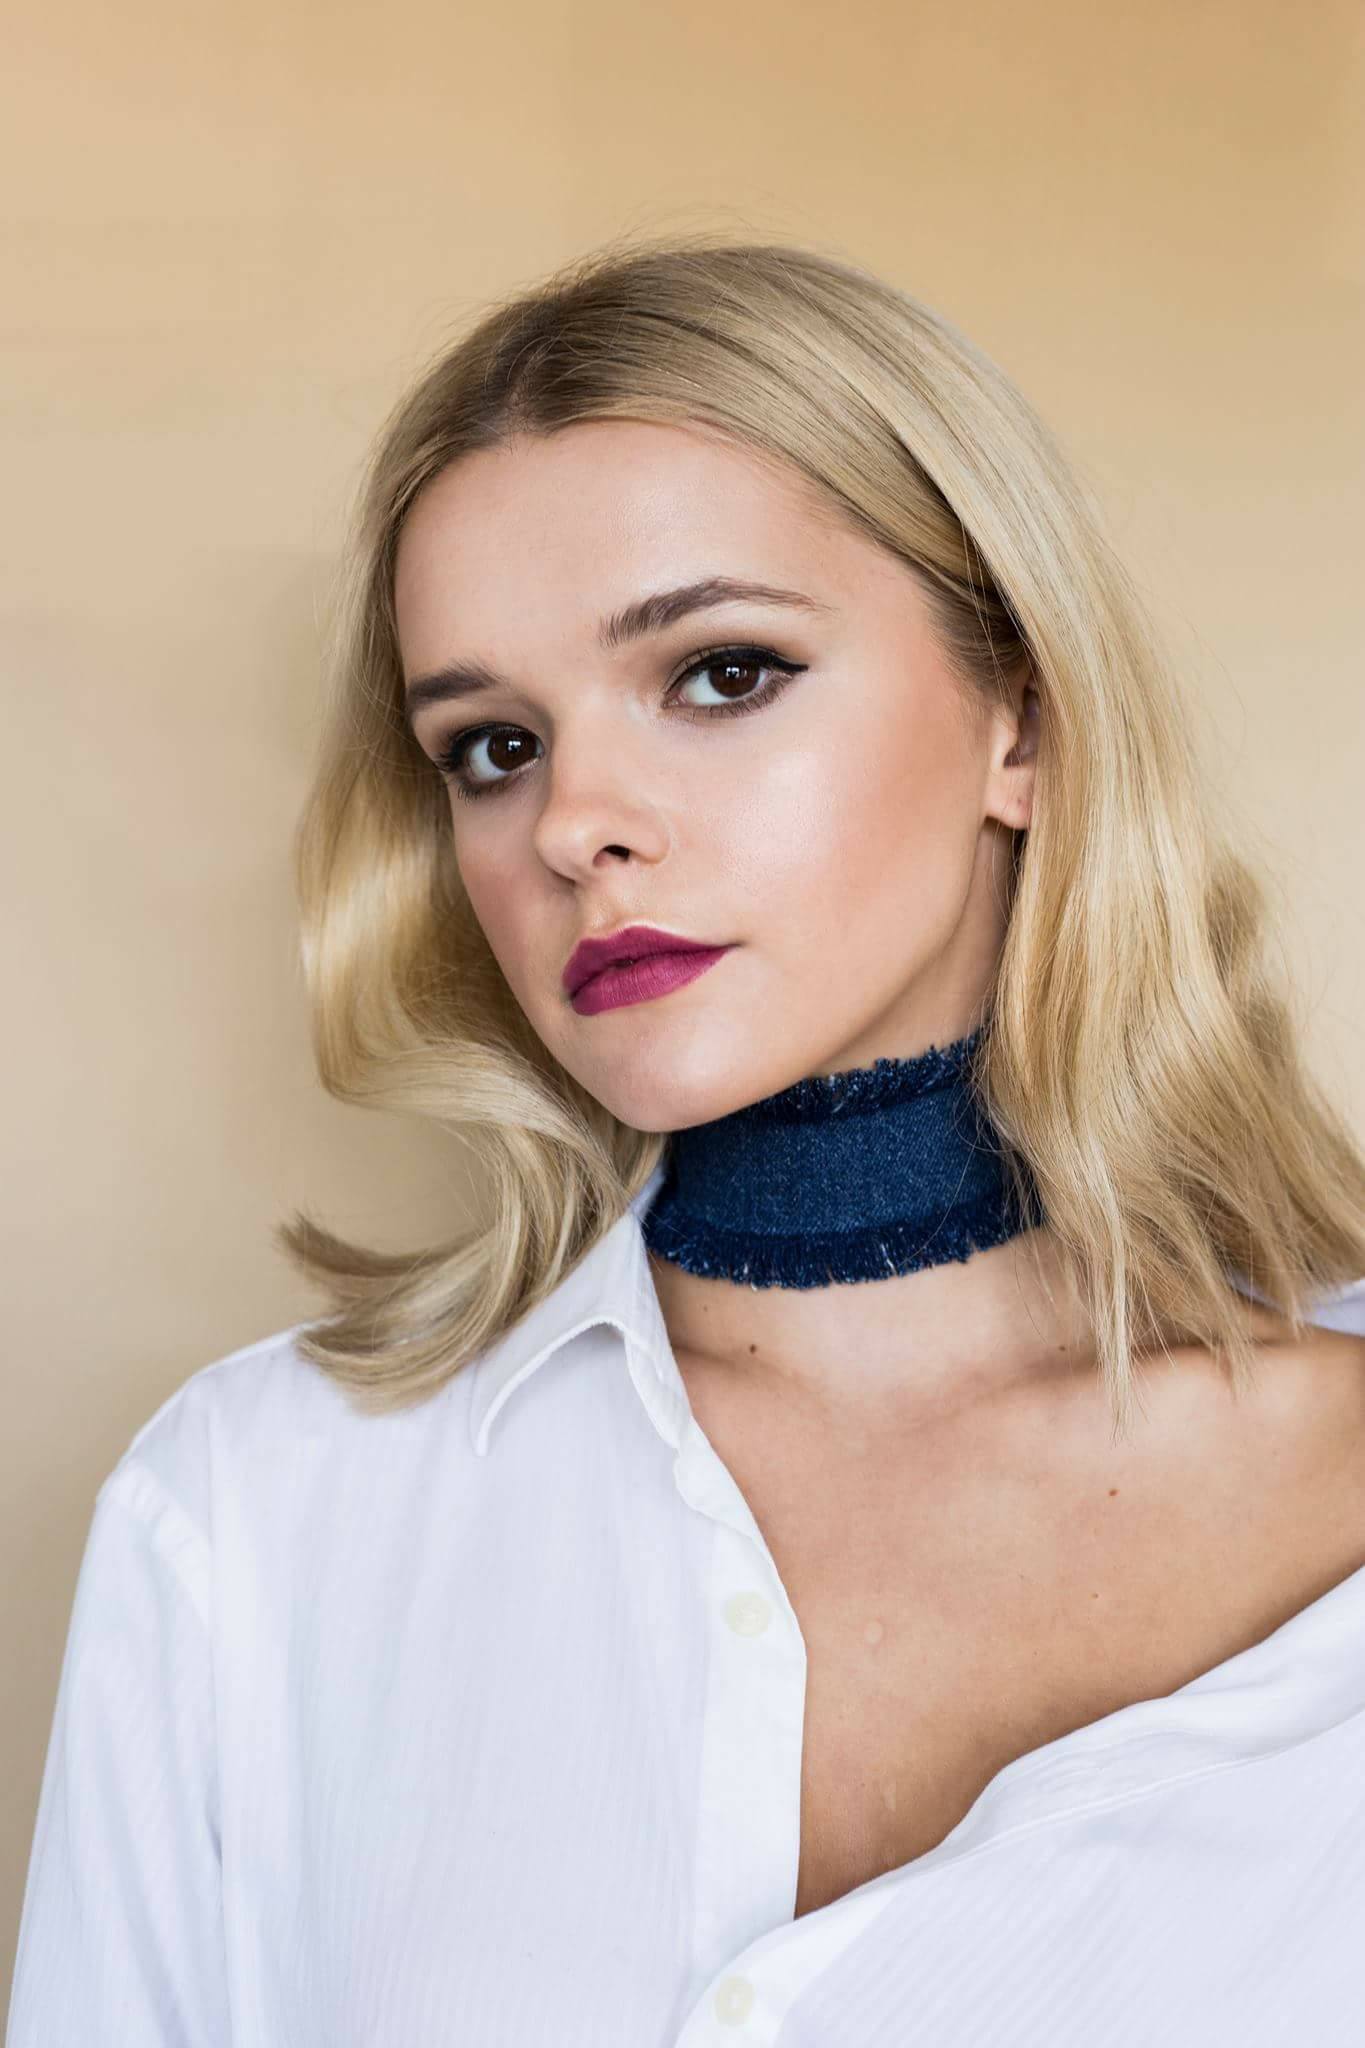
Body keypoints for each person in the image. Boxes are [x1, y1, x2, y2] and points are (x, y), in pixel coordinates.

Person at [9, 233, 1365, 2045]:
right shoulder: (255, 1515)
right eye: (492, 746)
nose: (572, 822)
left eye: (721, 673)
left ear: (1020, 719)